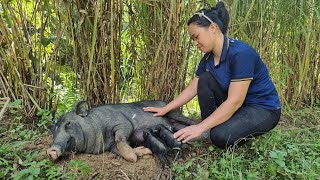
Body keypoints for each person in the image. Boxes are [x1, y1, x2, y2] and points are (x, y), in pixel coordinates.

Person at [143, 2, 281, 149]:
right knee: (205, 80)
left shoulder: (241, 54)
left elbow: (235, 101)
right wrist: (166, 108)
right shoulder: (207, 59)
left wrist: (199, 127)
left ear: (213, 28)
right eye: (193, 40)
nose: (195, 43)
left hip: (262, 109)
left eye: (197, 37)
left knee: (219, 136)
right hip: (240, 107)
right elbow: (192, 88)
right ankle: (210, 128)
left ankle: (220, 130)